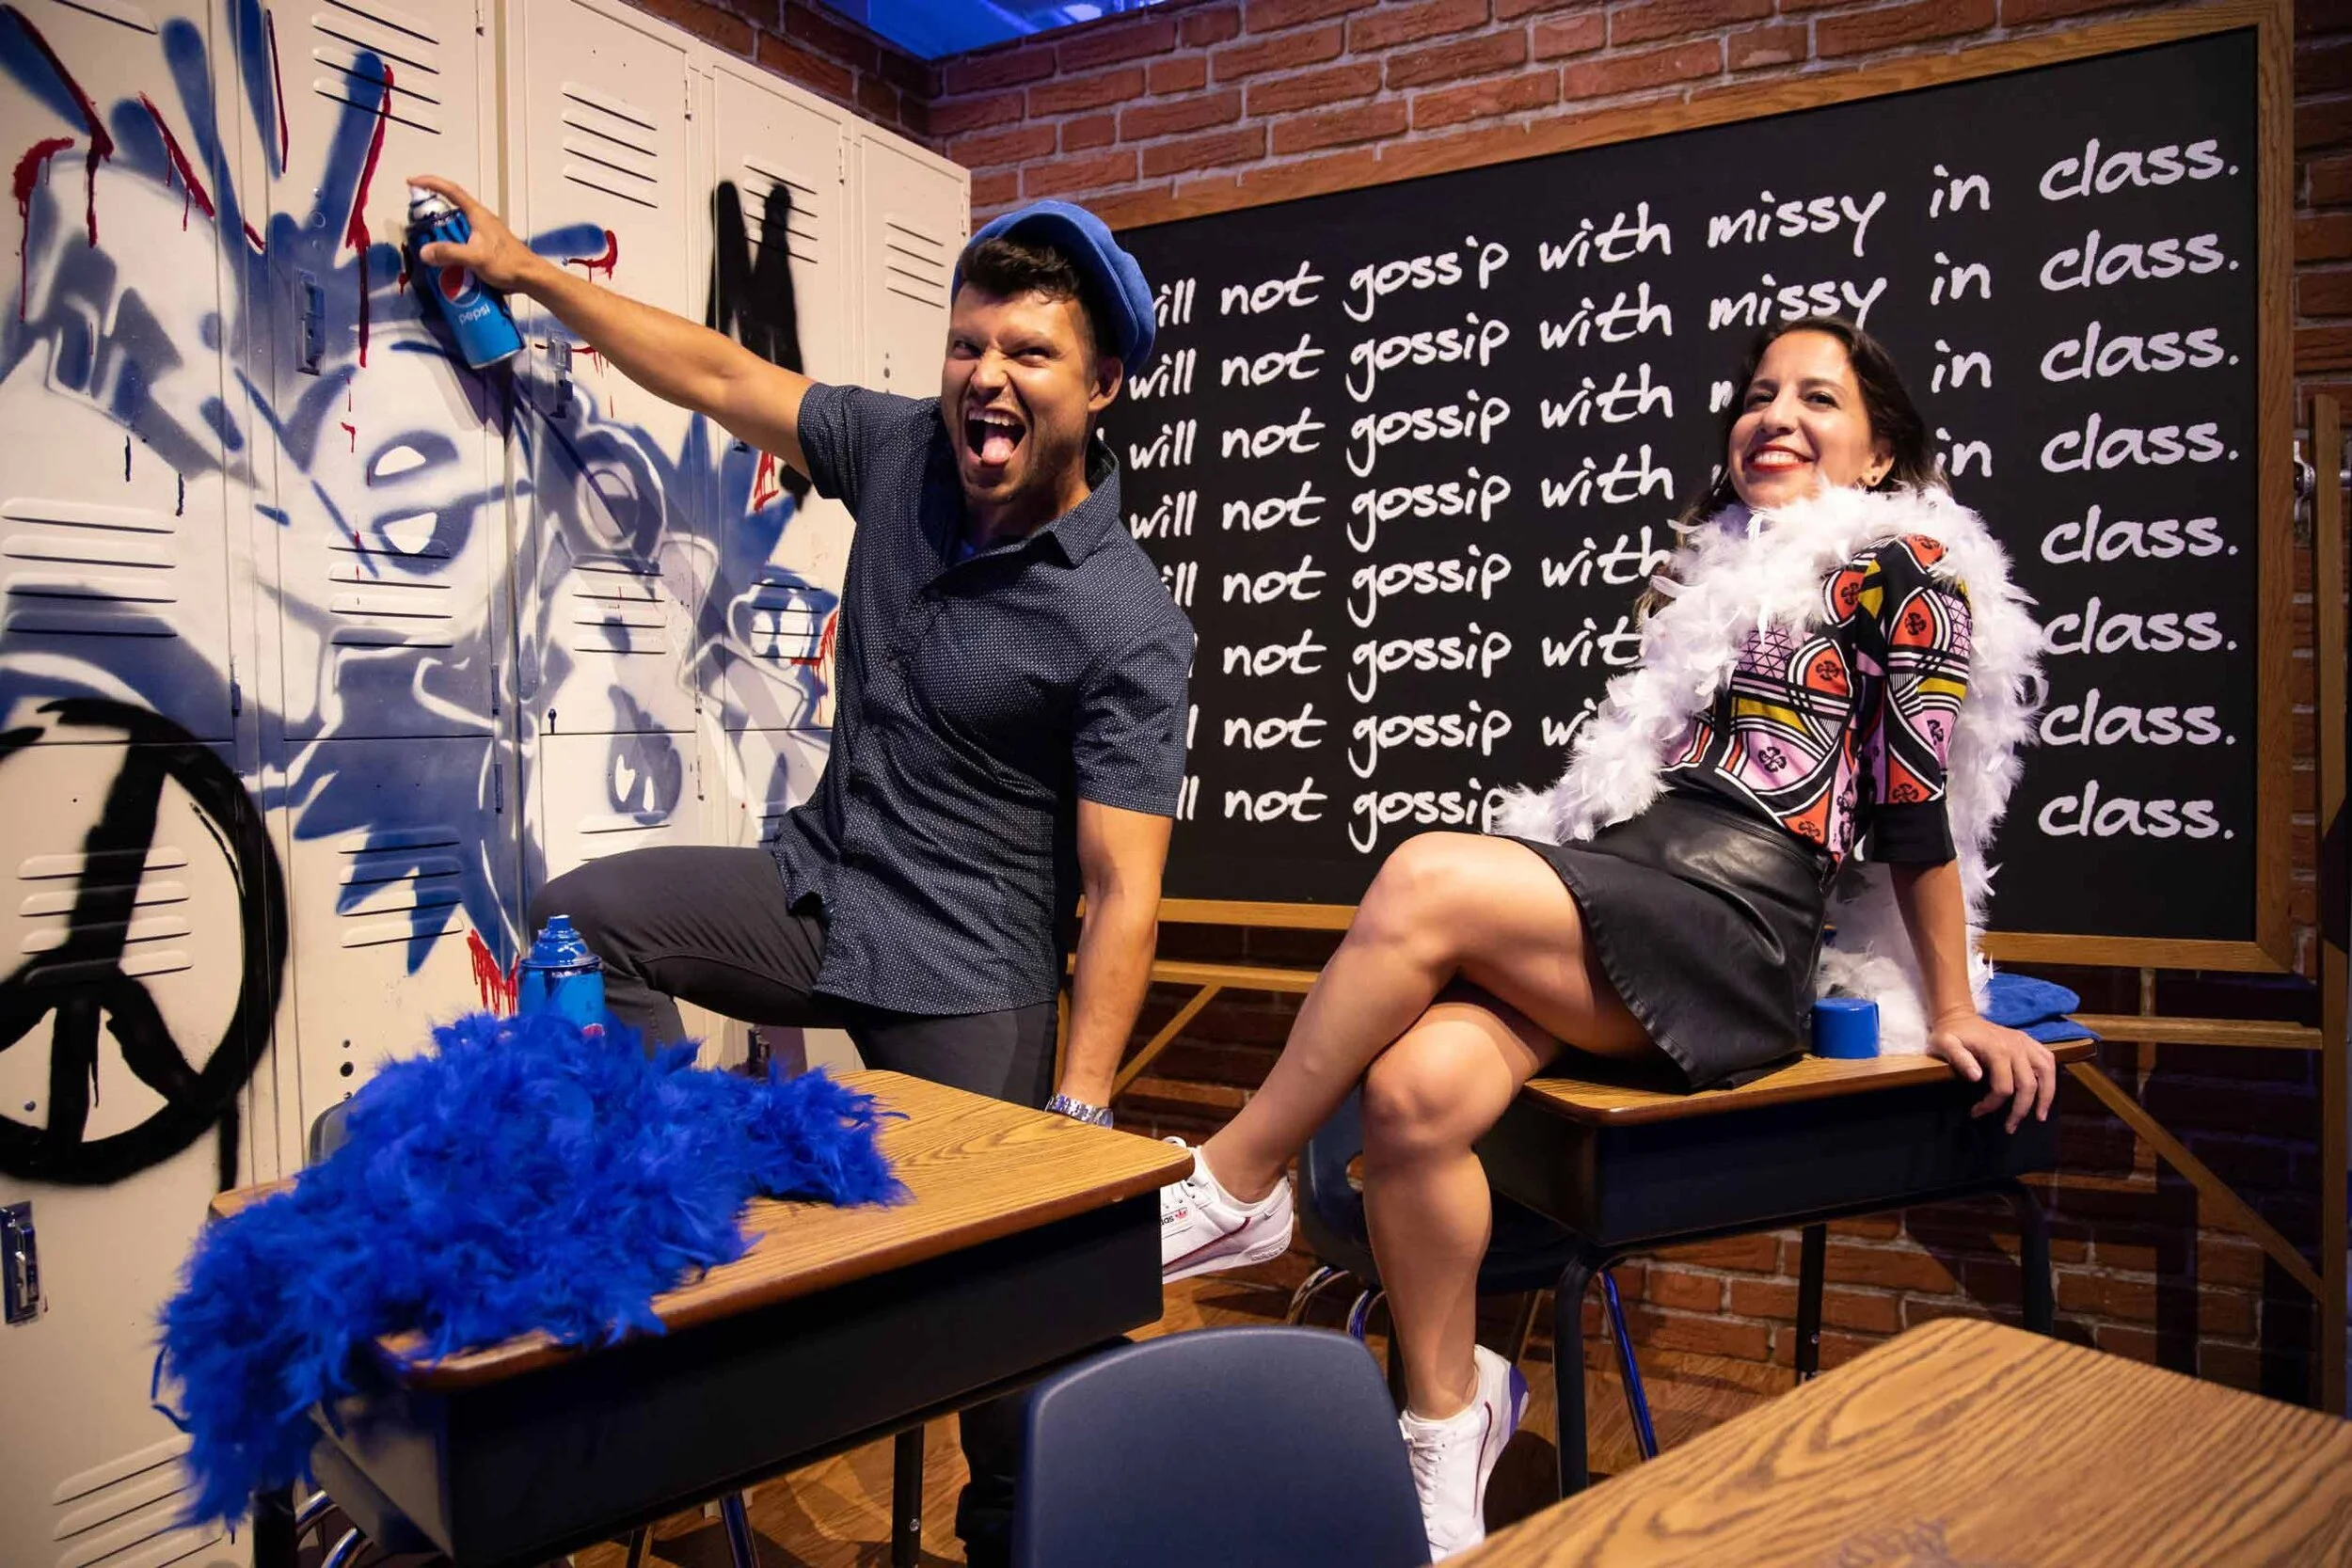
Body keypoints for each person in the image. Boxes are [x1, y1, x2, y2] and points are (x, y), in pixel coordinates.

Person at [1156, 317, 2053, 1560]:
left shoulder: (1908, 569)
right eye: (1756, 394)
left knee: (1424, 875)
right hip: (1633, 884)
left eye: (1817, 397)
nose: (1775, 415)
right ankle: (1446, 1429)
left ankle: (1240, 1177)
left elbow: (1913, 817)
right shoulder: (1718, 572)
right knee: (1415, 1094)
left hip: (1737, 925)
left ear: (1880, 444)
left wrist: (1953, 1008)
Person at [410, 180, 1192, 1565]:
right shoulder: (899, 452)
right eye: (967, 345)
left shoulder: (1125, 616)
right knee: (588, 922)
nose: (985, 380)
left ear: (1107, 383)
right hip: (821, 885)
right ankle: (660, 1240)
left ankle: (1017, 1531)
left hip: (969, 967)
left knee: (1012, 1321)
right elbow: (719, 372)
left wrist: (1076, 1111)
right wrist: (526, 271)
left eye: (1028, 354)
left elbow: (1123, 887)